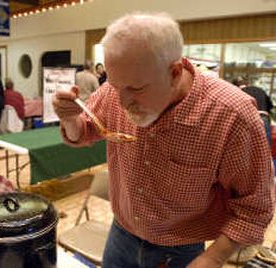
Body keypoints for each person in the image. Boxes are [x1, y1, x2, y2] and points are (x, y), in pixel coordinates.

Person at [53, 13, 274, 268]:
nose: (123, 102)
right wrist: (70, 119)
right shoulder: (117, 91)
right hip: (121, 234)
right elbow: (82, 134)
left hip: (180, 249)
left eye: (136, 89)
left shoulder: (230, 115)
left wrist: (214, 257)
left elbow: (254, 208)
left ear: (175, 72)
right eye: (115, 85)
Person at [233, 76, 274, 147]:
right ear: (247, 83)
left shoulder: (238, 93)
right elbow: (270, 106)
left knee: (247, 148)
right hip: (264, 118)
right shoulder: (260, 90)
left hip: (249, 119)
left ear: (235, 86)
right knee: (265, 147)